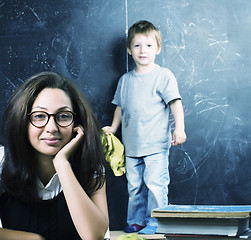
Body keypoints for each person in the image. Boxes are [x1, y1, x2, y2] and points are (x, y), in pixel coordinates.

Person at [0, 71, 109, 240]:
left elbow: (94, 236)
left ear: (76, 123)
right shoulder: (3, 162)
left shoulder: (91, 166)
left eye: (63, 116)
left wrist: (62, 164)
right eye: (39, 116)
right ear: (22, 121)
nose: (52, 127)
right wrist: (33, 239)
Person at [103, 20, 187, 234]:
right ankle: (136, 220)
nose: (143, 50)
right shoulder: (125, 80)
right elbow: (120, 107)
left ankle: (156, 222)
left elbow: (175, 103)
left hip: (156, 144)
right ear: (130, 50)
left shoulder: (163, 76)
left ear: (158, 48)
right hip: (132, 146)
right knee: (134, 187)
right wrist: (113, 127)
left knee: (155, 185)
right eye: (137, 45)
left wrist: (180, 128)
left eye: (149, 45)